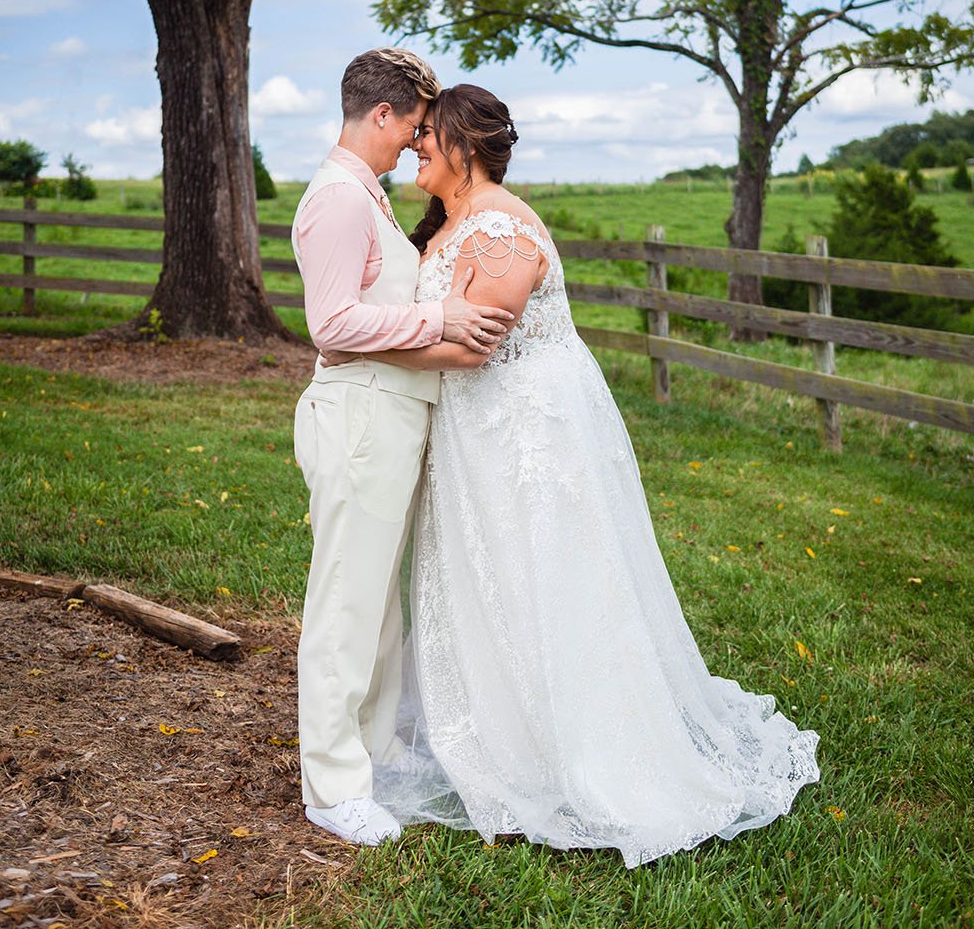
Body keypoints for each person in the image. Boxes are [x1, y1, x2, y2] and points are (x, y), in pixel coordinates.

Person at [319, 83, 821, 867]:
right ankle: (496, 724)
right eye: (413, 133)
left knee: (543, 581)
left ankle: (583, 753)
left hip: (525, 435)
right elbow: (440, 327)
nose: (416, 145)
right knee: (487, 584)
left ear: (466, 145)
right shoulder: (448, 225)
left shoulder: (502, 229)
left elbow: (473, 346)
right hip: (471, 436)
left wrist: (352, 343)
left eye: (429, 135)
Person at [290, 52, 514, 848]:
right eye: (415, 126)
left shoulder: (366, 197)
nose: (417, 142)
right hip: (358, 419)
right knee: (347, 605)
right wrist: (441, 322)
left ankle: (377, 751)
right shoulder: (340, 199)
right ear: (380, 115)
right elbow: (333, 325)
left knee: (380, 609)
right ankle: (332, 786)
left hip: (389, 419)